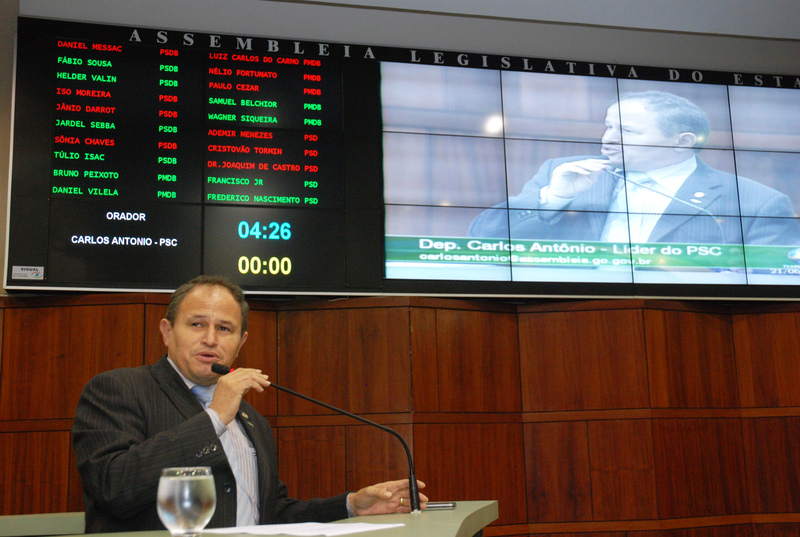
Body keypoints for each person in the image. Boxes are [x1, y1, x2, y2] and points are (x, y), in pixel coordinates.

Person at [72, 275, 427, 533]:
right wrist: (214, 418)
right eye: (196, 324)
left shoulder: (252, 419)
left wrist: (350, 505)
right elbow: (113, 488)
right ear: (167, 332)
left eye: (224, 329)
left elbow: (271, 514)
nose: (210, 339)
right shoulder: (120, 389)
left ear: (240, 343)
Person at [469, 90, 800, 246]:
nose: (607, 139)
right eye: (608, 126)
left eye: (626, 131)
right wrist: (552, 199)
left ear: (682, 142)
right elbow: (483, 240)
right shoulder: (564, 172)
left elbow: (772, 282)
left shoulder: (756, 202)